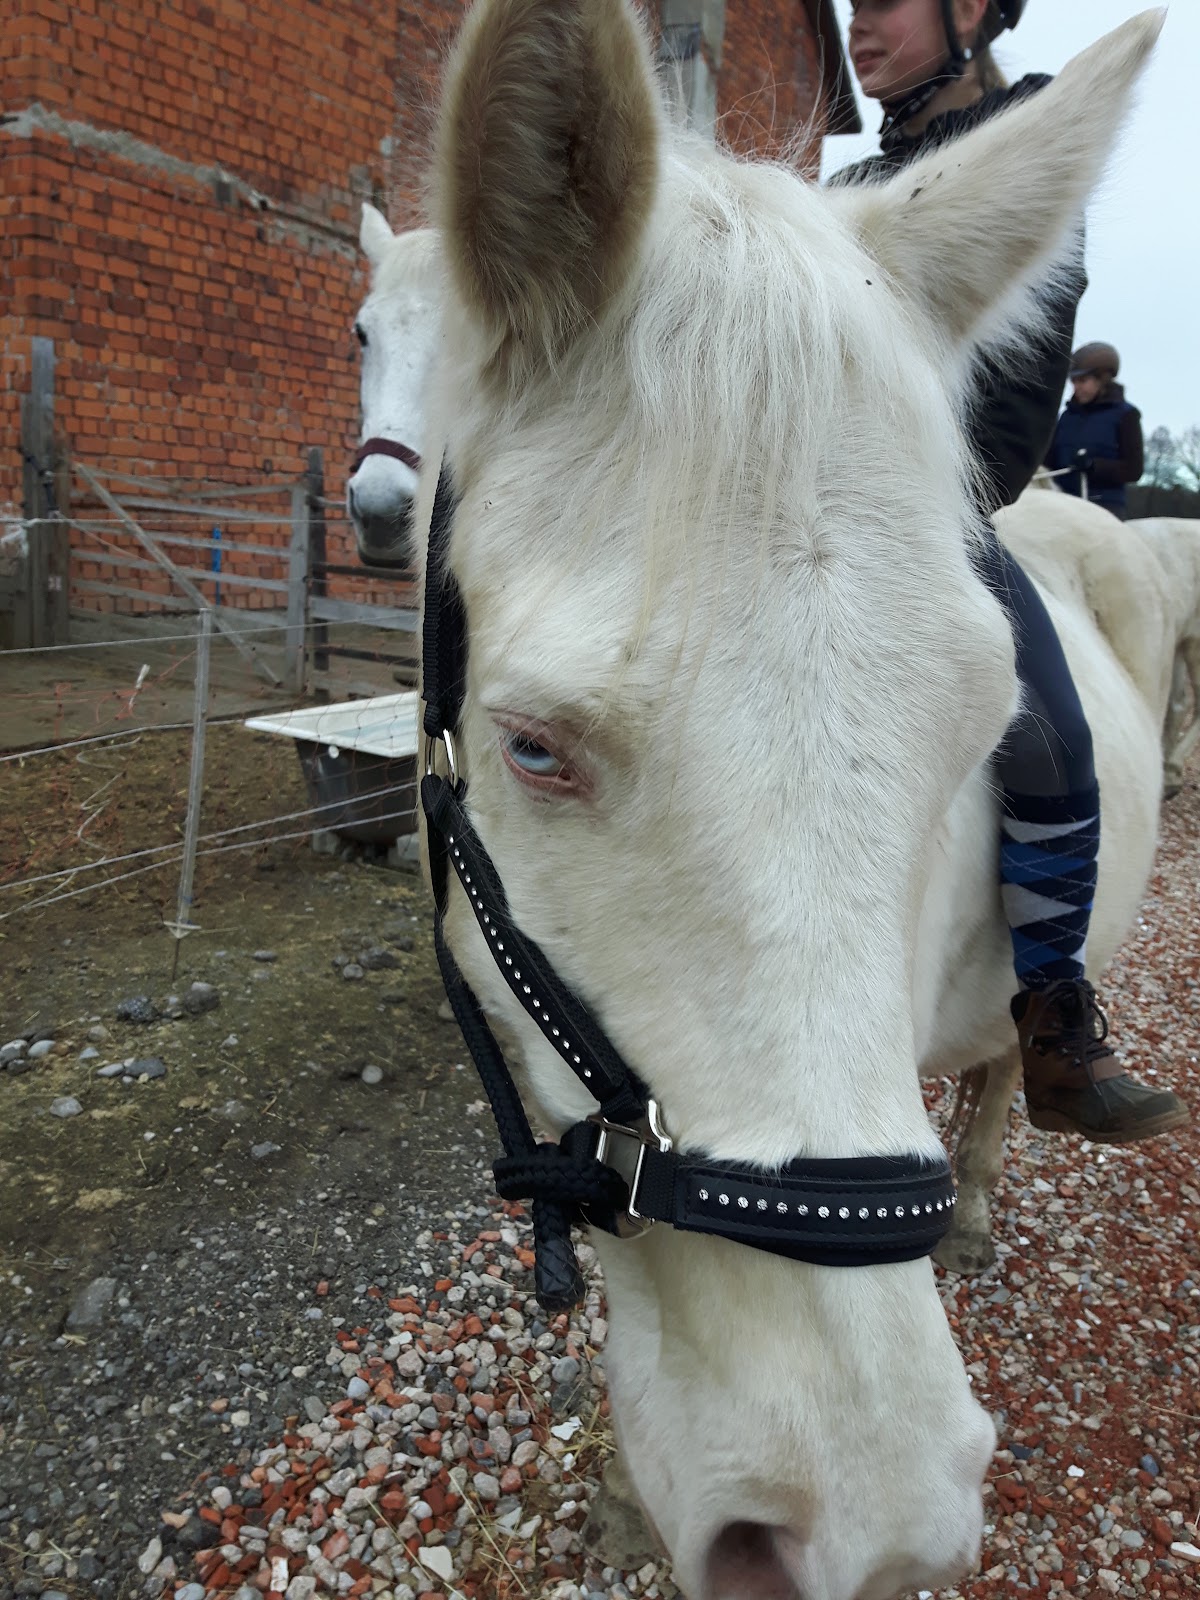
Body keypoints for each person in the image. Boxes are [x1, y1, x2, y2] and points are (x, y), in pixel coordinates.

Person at [831, 0, 1187, 1142]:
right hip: (799, 513)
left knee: (1053, 741)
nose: (857, 26)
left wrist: (897, 506)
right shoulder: (845, 188)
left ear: (972, 9)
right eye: (848, 6)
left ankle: (1055, 1013)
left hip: (933, 515)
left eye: (883, 1)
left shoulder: (1030, 157)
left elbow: (1017, 410)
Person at [1045, 343, 1145, 518]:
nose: (1077, 387)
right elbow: (1050, 460)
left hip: (1104, 505)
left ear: (1102, 379)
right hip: (1062, 501)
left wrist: (1094, 466)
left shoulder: (1126, 415)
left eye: (1082, 381)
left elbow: (1133, 469)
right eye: (1073, 382)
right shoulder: (1066, 416)